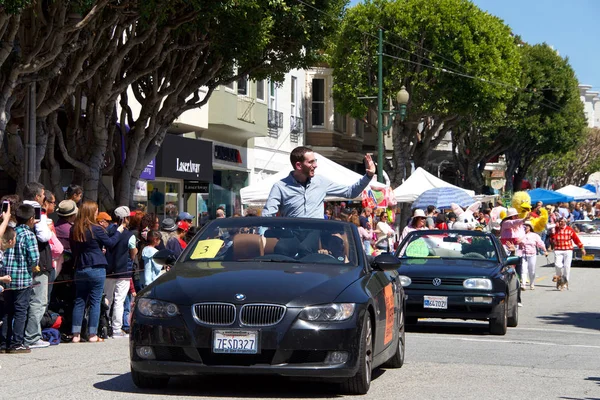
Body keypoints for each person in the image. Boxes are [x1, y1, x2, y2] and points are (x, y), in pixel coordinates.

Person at [262, 146, 376, 218]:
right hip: (291, 238)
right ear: (298, 165)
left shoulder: (321, 182)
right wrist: (263, 237)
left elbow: (350, 192)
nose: (315, 165)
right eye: (311, 162)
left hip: (314, 237)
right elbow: (267, 214)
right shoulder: (280, 187)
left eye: (315, 161)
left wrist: (368, 175)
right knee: (280, 248)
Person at [70, 201, 124, 343]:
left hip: (81, 266)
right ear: (91, 212)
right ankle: (92, 333)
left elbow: (74, 250)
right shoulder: (96, 228)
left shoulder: (74, 229)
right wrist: (119, 231)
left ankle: (76, 334)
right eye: (95, 211)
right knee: (95, 300)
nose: (96, 213)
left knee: (80, 300)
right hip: (96, 266)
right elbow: (111, 243)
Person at [1, 204, 40, 353]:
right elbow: (34, 258)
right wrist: (33, 266)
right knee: (21, 311)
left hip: (7, 278)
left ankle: (4, 343)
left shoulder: (11, 232)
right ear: (31, 219)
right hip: (22, 278)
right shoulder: (29, 234)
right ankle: (17, 343)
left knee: (7, 310)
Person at [22, 182, 54, 350]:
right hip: (39, 263)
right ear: (36, 197)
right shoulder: (37, 212)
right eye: (42, 195)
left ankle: (23, 335)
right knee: (38, 301)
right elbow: (44, 236)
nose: (44, 198)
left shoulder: (19, 209)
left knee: (24, 301)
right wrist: (48, 228)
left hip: (23, 264)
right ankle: (32, 336)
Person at [104, 206, 136, 338]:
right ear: (124, 219)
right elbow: (133, 253)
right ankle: (117, 329)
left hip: (108, 270)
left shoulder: (106, 231)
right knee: (119, 300)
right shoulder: (129, 235)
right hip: (123, 271)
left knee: (107, 299)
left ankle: (104, 324)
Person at [550, 216, 585, 288]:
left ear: (565, 222)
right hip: (558, 250)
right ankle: (559, 278)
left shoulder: (570, 230)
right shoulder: (555, 230)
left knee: (566, 266)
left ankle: (565, 281)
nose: (560, 223)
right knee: (557, 265)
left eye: (562, 221)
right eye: (559, 221)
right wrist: (553, 233)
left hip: (568, 250)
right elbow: (552, 238)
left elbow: (576, 239)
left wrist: (581, 248)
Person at [518, 221, 548, 290]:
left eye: (527, 226)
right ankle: (523, 284)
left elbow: (540, 243)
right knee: (523, 269)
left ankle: (532, 283)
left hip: (532, 254)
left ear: (530, 227)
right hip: (523, 254)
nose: (525, 227)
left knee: (531, 270)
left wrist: (545, 250)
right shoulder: (520, 235)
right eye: (524, 226)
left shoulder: (535, 235)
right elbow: (516, 242)